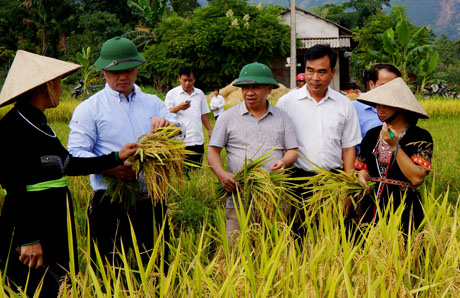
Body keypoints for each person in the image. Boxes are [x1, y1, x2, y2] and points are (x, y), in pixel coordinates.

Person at [0, 50, 137, 297]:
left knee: (59, 284)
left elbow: (68, 164)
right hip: (32, 224)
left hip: (54, 220)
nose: (62, 89)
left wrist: (117, 156)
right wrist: (28, 238)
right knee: (32, 286)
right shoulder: (12, 127)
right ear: (44, 87)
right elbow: (13, 183)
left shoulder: (40, 124)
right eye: (58, 83)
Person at [67, 37, 179, 266]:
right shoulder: (89, 109)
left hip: (151, 201)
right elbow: (76, 154)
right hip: (109, 203)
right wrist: (112, 168)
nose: (122, 77)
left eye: (128, 70)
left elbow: (181, 133)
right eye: (115, 72)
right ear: (103, 72)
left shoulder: (153, 103)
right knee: (110, 270)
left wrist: (169, 128)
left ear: (137, 69)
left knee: (158, 268)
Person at [276, 44, 361, 236]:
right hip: (298, 182)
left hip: (334, 181)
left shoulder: (344, 105)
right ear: (304, 69)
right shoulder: (286, 103)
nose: (315, 78)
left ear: (333, 72)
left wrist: (348, 189)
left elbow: (348, 149)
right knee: (299, 237)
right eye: (310, 71)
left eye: (322, 72)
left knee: (335, 236)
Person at [207, 62, 298, 237]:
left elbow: (292, 150)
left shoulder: (283, 117)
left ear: (269, 89)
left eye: (256, 87)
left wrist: (284, 161)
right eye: (245, 87)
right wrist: (221, 174)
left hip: (274, 195)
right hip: (239, 196)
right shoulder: (227, 117)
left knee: (274, 248)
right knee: (238, 249)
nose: (249, 92)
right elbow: (212, 151)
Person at [354, 77, 433, 234]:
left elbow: (417, 178)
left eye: (386, 106)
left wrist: (394, 145)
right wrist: (362, 178)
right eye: (377, 105)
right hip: (372, 206)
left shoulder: (420, 137)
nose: (380, 110)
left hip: (404, 207)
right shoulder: (371, 135)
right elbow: (363, 169)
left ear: (400, 108)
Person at [165, 66, 212, 166]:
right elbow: (165, 115)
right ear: (179, 79)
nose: (187, 83)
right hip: (179, 141)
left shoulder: (199, 94)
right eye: (184, 80)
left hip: (197, 139)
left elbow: (204, 114)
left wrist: (210, 130)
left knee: (196, 171)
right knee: (180, 171)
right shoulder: (172, 94)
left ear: (194, 79)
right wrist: (178, 108)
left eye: (190, 80)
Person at [353, 64, 402, 152]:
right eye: (384, 86)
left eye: (394, 86)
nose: (389, 91)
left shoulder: (403, 109)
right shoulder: (353, 109)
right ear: (372, 85)